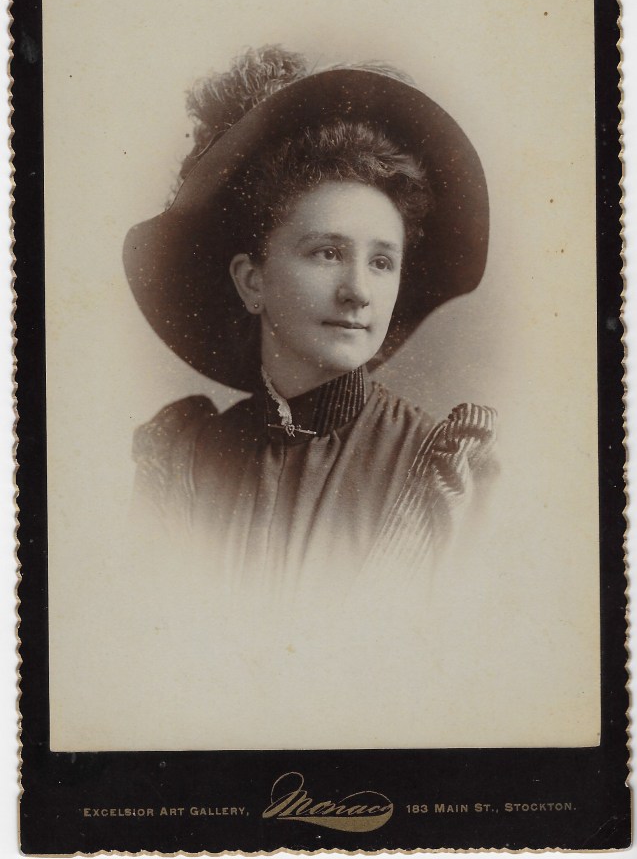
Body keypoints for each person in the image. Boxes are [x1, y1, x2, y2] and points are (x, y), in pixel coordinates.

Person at [124, 46, 497, 595]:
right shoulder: (185, 462)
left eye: (381, 262)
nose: (358, 293)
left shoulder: (439, 470)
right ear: (253, 281)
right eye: (327, 253)